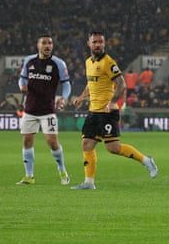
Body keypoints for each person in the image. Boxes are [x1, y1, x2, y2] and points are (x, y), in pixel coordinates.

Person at [69, 32, 158, 189]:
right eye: (94, 42)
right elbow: (91, 82)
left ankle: (146, 160)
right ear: (88, 43)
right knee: (87, 144)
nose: (98, 44)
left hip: (107, 112)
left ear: (104, 44)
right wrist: (82, 97)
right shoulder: (88, 62)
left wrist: (112, 102)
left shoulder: (108, 62)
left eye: (100, 42)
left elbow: (122, 84)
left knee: (113, 148)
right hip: (93, 111)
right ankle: (89, 183)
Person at [16, 35, 73, 185]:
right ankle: (29, 176)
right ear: (38, 45)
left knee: (52, 141)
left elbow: (66, 84)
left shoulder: (58, 64)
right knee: (27, 141)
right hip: (30, 108)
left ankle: (62, 170)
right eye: (44, 43)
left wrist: (64, 98)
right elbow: (22, 78)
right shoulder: (29, 61)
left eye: (50, 43)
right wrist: (21, 86)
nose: (47, 46)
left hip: (48, 109)